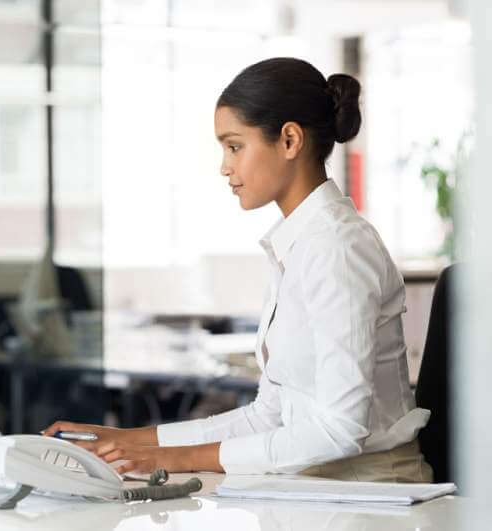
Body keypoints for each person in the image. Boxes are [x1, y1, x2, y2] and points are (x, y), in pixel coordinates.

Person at [43, 57, 433, 482]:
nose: (225, 166)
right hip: (320, 485)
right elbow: (268, 415)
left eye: (234, 146)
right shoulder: (297, 245)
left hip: (373, 493)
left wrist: (174, 459)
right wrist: (137, 441)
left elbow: (341, 429)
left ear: (289, 140)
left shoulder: (337, 248)